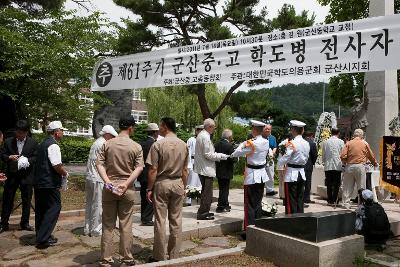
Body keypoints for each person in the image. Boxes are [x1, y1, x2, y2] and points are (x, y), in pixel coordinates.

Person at [96, 115, 144, 267]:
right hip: (127, 189)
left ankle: (106, 260)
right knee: (126, 224)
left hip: (110, 188)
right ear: (131, 128)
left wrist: (107, 181)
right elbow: (139, 167)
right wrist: (127, 183)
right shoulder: (136, 146)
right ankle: (127, 258)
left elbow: (99, 164)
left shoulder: (107, 144)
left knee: (108, 225)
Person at [145, 117, 189, 262]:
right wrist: (184, 186)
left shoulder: (158, 145)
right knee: (176, 220)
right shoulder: (184, 145)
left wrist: (149, 189)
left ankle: (159, 255)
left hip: (162, 183)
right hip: (178, 183)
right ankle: (174, 254)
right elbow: (185, 170)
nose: (159, 129)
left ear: (164, 126)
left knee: (160, 220)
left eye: (160, 126)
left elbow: (153, 169)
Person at [33, 121, 68, 249]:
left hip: (39, 182)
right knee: (54, 207)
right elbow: (56, 165)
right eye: (62, 130)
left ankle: (41, 235)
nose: (63, 133)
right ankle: (43, 238)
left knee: (41, 209)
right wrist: (65, 173)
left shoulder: (43, 143)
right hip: (49, 183)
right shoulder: (53, 145)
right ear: (56, 132)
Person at [231, 120, 269, 234]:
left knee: (249, 204)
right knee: (257, 202)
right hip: (262, 175)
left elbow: (236, 153)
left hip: (252, 175)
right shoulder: (265, 142)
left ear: (254, 129)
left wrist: (242, 144)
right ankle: (257, 227)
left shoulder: (252, 143)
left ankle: (249, 230)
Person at [0, 120, 38, 233]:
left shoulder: (33, 143)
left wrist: (27, 160)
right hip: (12, 175)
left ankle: (24, 223)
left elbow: (36, 157)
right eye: (18, 132)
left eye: (22, 133)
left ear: (26, 132)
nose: (19, 135)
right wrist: (9, 157)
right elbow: (2, 155)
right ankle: (3, 223)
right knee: (8, 199)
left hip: (27, 175)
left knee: (26, 200)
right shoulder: (8, 142)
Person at [84, 125, 118, 237]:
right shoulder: (103, 144)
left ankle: (88, 228)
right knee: (98, 205)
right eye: (112, 136)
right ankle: (96, 230)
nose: (113, 138)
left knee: (90, 204)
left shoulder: (96, 142)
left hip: (90, 177)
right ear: (108, 135)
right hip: (98, 178)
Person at [194, 118, 229, 220]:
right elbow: (208, 154)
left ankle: (204, 211)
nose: (214, 129)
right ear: (209, 127)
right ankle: (203, 213)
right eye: (214, 127)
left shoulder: (203, 135)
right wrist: (222, 156)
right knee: (207, 192)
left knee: (206, 191)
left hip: (204, 167)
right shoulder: (205, 136)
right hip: (206, 168)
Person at [278, 120, 310, 214]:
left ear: (293, 130)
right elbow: (306, 158)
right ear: (302, 131)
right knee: (300, 198)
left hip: (292, 174)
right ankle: (300, 218)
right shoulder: (306, 143)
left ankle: (291, 221)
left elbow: (286, 157)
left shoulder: (292, 143)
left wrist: (279, 162)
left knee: (290, 199)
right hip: (301, 172)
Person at [340, 129, 377, 209]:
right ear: (361, 135)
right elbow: (370, 155)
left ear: (354, 135)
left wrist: (346, 162)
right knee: (361, 187)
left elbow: (343, 156)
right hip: (360, 166)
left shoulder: (348, 143)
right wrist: (374, 163)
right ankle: (361, 204)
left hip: (349, 166)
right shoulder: (364, 143)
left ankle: (346, 203)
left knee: (347, 186)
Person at [138, 123, 159, 226]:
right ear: (155, 132)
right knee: (151, 196)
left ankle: (143, 216)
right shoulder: (155, 144)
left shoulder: (141, 143)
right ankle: (147, 219)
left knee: (143, 196)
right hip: (151, 173)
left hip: (142, 173)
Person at [321, 128, 344, 206]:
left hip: (328, 165)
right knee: (337, 184)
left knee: (329, 183)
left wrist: (324, 161)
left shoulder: (325, 142)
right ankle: (335, 200)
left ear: (331, 133)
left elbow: (323, 154)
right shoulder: (341, 142)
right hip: (337, 165)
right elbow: (343, 154)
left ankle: (329, 200)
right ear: (338, 133)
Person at [215, 129, 235, 213]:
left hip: (219, 169)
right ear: (230, 137)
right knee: (225, 189)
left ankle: (224, 203)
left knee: (221, 188)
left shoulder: (216, 144)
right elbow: (233, 159)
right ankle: (221, 206)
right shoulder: (229, 146)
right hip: (227, 170)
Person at [185, 125, 203, 206]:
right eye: (200, 130)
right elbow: (188, 152)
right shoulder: (191, 140)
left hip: (201, 163)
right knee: (191, 181)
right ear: (196, 131)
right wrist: (188, 166)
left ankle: (198, 197)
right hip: (193, 161)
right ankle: (189, 200)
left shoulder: (204, 140)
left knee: (199, 182)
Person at [276, 134, 293, 200]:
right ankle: (284, 195)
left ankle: (281, 194)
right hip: (284, 164)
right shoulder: (287, 143)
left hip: (279, 164)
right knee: (284, 181)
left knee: (280, 180)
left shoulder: (281, 143)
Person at [263, 124, 278, 196]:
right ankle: (260, 189)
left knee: (270, 174)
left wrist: (273, 153)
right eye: (266, 128)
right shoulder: (261, 137)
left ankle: (270, 190)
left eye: (269, 129)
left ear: (271, 130)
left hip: (270, 158)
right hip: (262, 158)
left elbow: (275, 147)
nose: (267, 130)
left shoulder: (273, 138)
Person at [303, 131, 318, 205]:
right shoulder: (312, 143)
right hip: (308, 165)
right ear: (311, 135)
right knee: (308, 182)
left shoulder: (301, 142)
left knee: (300, 182)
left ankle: (300, 197)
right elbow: (314, 155)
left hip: (300, 165)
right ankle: (306, 198)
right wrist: (313, 163)